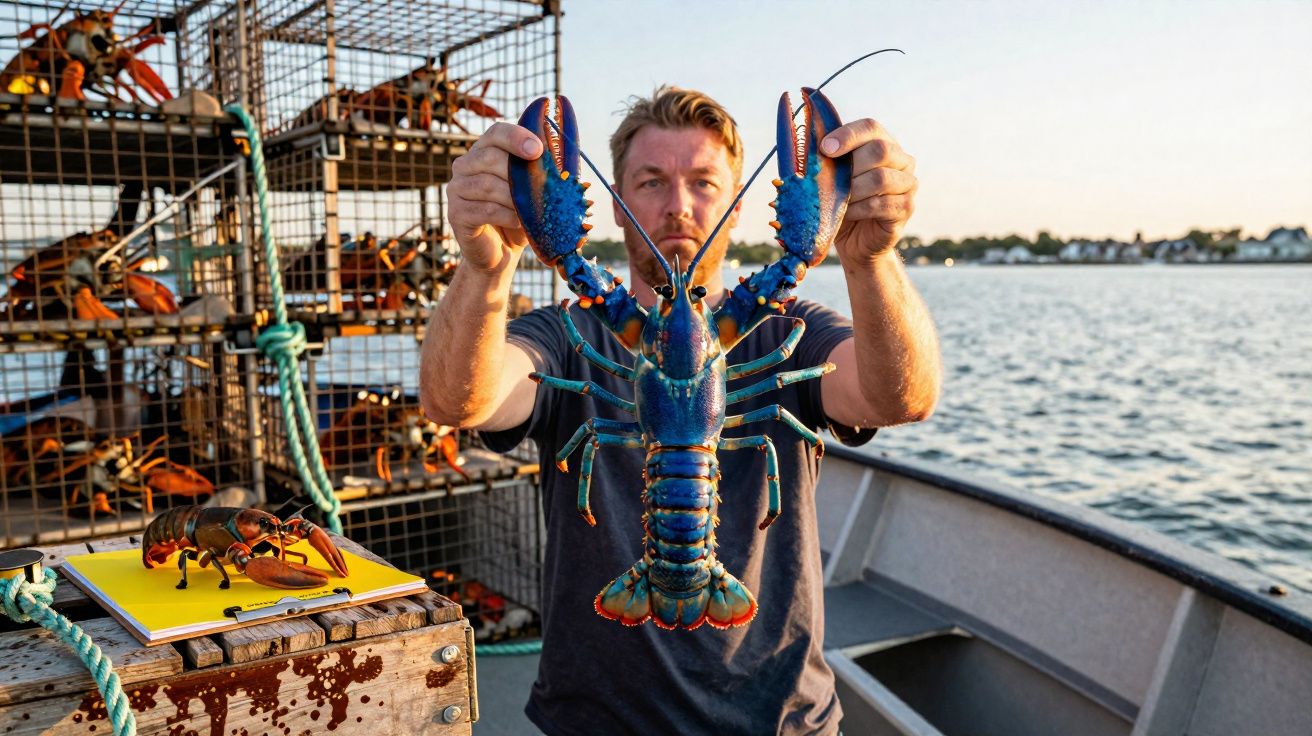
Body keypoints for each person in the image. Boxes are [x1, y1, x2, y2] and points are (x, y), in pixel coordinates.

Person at [420, 86, 940, 735]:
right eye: (651, 182)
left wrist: (871, 261)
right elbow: (457, 400)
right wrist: (484, 271)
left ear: (738, 204)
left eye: (703, 183)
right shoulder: (566, 333)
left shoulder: (790, 327)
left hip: (780, 720)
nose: (678, 206)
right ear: (616, 204)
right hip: (597, 720)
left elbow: (902, 398)